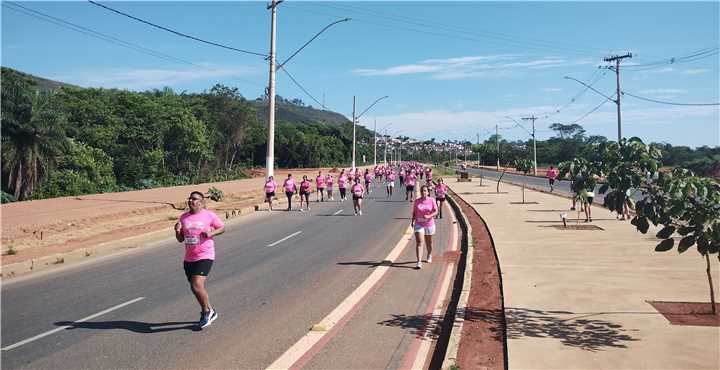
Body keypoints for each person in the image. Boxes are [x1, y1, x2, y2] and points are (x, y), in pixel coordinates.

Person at [175, 191, 225, 328]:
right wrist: (177, 231)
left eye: (194, 198)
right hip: (189, 258)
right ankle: (211, 311)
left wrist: (211, 232)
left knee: (196, 285)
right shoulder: (184, 217)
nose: (191, 200)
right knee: (197, 287)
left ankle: (205, 312)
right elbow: (181, 239)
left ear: (201, 202)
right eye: (190, 198)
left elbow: (222, 227)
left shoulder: (209, 215)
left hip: (205, 255)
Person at [411, 185, 438, 269]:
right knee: (419, 242)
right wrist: (412, 221)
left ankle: (429, 254)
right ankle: (419, 262)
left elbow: (436, 211)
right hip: (419, 224)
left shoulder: (432, 200)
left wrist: (429, 216)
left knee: (428, 242)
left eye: (425, 191)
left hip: (429, 224)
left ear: (428, 192)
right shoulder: (417, 201)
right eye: (422, 191)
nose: (423, 192)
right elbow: (414, 212)